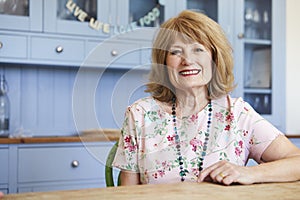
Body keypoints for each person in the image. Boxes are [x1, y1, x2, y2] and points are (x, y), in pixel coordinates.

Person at [112, 10, 300, 186]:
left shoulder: (238, 114)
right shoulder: (139, 115)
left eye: (198, 49)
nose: (187, 60)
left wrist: (248, 173)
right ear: (164, 63)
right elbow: (127, 193)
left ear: (215, 58)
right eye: (176, 52)